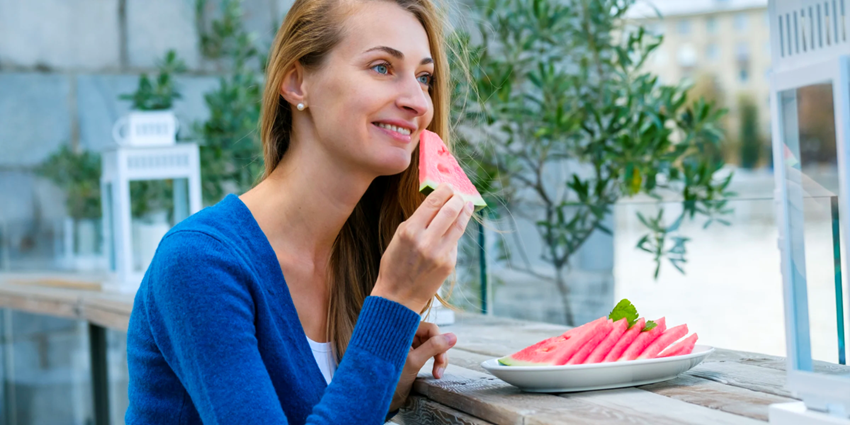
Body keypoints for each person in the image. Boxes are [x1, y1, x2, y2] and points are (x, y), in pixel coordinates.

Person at [125, 0, 474, 423]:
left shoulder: (357, 253)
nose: (418, 102)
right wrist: (394, 301)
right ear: (296, 83)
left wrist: (382, 382)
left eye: (424, 77)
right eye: (382, 67)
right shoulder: (200, 263)